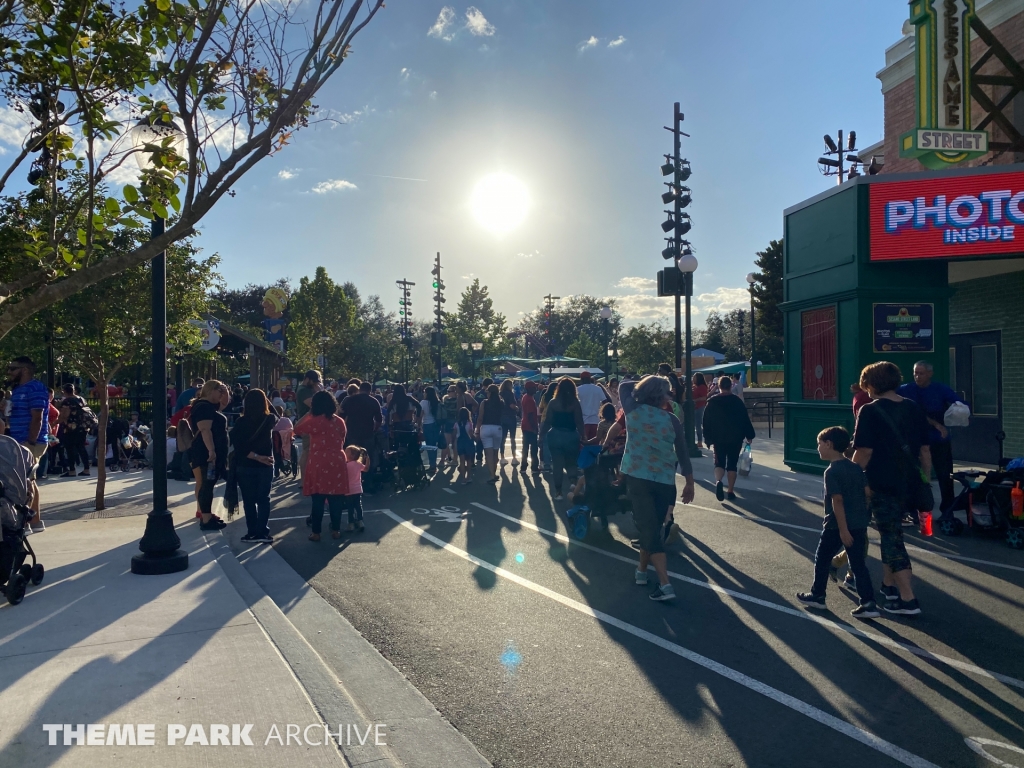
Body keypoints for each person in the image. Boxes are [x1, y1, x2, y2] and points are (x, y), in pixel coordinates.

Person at [852, 361, 930, 616]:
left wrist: (851, 478)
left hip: (881, 482)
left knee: (892, 538)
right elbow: (925, 450)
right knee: (892, 532)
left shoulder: (869, 411)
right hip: (909, 482)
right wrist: (925, 481)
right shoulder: (913, 407)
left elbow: (863, 452)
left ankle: (908, 598)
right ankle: (888, 585)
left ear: (872, 384)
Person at [616, 375, 695, 601]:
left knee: (650, 530)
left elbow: (624, 386)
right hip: (664, 480)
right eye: (667, 393)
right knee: (652, 528)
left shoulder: (632, 410)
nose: (670, 396)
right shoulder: (672, 420)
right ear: (661, 396)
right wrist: (689, 482)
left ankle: (665, 584)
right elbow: (683, 453)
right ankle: (641, 572)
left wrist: (648, 384)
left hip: (638, 478)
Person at [796, 426, 878, 618]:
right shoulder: (856, 468)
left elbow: (837, 501)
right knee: (858, 564)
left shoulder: (831, 472)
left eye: (819, 444)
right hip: (858, 523)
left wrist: (842, 530)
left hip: (836, 525)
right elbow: (867, 493)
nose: (818, 448)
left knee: (822, 558)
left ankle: (818, 595)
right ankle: (868, 603)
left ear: (829, 444)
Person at [898, 361, 963, 513]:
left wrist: (958, 412)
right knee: (914, 473)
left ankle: (948, 508)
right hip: (915, 437)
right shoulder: (906, 389)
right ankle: (913, 507)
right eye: (915, 373)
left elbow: (958, 402)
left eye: (921, 373)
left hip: (938, 437)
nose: (917, 376)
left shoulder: (939, 389)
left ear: (929, 374)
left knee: (944, 473)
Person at [294, 391, 349, 541]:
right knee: (336, 498)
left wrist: (309, 413)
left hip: (319, 460)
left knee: (318, 498)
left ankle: (316, 532)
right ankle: (336, 530)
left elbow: (297, 429)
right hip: (337, 459)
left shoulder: (315, 421)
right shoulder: (339, 421)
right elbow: (343, 438)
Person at [4, 357, 48, 532]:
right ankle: (33, 521)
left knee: (26, 480)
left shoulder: (35, 388)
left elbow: (37, 416)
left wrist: (30, 441)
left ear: (25, 370)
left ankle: (32, 521)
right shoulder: (17, 390)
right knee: (27, 480)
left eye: (12, 368)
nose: (9, 372)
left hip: (29, 441)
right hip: (18, 440)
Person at [230, 389, 278, 544]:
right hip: (266, 464)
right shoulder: (270, 419)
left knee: (249, 500)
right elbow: (278, 415)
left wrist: (255, 457)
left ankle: (251, 532)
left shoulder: (240, 422)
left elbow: (238, 446)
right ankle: (262, 532)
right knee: (264, 499)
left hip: (246, 464)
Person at [702, 376, 756, 501]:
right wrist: (749, 435)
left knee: (719, 462)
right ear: (730, 386)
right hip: (735, 437)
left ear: (719, 386)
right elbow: (745, 419)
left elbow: (706, 422)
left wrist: (708, 438)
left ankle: (718, 481)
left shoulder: (712, 402)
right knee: (732, 464)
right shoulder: (737, 402)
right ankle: (730, 490)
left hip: (718, 437)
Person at [188, 380, 230, 531]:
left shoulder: (210, 406)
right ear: (211, 390)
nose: (221, 394)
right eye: (219, 391)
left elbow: (225, 403)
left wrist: (225, 391)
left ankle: (206, 514)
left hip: (212, 452)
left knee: (209, 484)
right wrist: (211, 451)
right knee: (206, 484)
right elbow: (205, 430)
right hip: (205, 453)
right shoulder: (203, 407)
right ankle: (205, 518)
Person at [539, 378, 585, 500]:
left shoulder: (553, 403)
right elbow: (579, 421)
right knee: (571, 462)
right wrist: (583, 436)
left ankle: (558, 492)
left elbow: (547, 421)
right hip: (571, 435)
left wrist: (541, 436)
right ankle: (573, 483)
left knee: (557, 464)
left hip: (555, 434)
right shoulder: (575, 403)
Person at [296, 370, 323, 488]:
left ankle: (307, 480)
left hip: (311, 424)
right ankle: (304, 481)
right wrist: (320, 393)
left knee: (309, 451)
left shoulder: (306, 389)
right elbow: (315, 405)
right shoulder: (303, 391)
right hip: (308, 425)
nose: (315, 384)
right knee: (307, 451)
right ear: (308, 379)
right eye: (314, 382)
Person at [477, 384, 504, 482]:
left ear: (490, 393)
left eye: (487, 392)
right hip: (497, 427)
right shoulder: (501, 403)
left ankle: (491, 475)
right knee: (495, 452)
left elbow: (480, 418)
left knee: (488, 454)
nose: (486, 393)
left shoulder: (484, 403)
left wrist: (477, 430)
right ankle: (494, 472)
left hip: (486, 427)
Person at [576, 371, 609, 441]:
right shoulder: (598, 389)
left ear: (581, 379)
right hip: (596, 420)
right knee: (594, 443)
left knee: (583, 444)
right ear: (590, 378)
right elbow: (605, 402)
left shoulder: (578, 389)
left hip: (583, 421)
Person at [343, 445, 369, 532]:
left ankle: (351, 523)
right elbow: (366, 469)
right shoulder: (358, 464)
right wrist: (368, 460)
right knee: (358, 506)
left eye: (346, 452)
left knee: (350, 507)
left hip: (348, 490)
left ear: (352, 455)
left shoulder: (346, 466)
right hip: (358, 489)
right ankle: (360, 521)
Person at [420, 386, 443, 474]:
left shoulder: (423, 402)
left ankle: (432, 465)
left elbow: (421, 415)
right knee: (434, 445)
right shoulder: (437, 402)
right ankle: (434, 465)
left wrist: (418, 425)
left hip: (427, 424)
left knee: (429, 445)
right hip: (436, 424)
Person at [520, 381, 541, 475]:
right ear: (529, 388)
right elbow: (530, 414)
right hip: (529, 426)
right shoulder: (529, 399)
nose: (535, 389)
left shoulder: (525, 397)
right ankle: (534, 467)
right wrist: (534, 428)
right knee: (534, 448)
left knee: (525, 448)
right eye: (534, 387)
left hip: (525, 425)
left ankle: (523, 467)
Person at [498, 379, 520, 467]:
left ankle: (502, 457)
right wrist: (517, 408)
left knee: (502, 438)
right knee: (512, 438)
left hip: (502, 417)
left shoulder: (500, 394)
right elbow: (511, 405)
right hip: (510, 417)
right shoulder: (510, 394)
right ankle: (514, 458)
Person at [453, 407, 476, 484]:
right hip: (468, 443)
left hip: (460, 442)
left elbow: (454, 435)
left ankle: (463, 478)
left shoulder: (456, 424)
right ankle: (468, 477)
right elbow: (471, 434)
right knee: (468, 460)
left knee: (462, 461)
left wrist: (453, 443)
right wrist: (476, 439)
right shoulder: (469, 424)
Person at [441, 385, 460, 466]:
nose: (448, 393)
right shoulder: (459, 400)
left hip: (448, 421)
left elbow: (443, 410)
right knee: (455, 441)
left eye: (449, 391)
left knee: (446, 442)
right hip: (456, 421)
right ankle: (455, 459)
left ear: (454, 392)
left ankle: (442, 460)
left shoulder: (447, 401)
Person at [692, 373, 709, 449]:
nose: (693, 378)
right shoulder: (695, 386)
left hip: (700, 407)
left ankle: (700, 441)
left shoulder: (702, 387)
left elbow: (704, 397)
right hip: (695, 407)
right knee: (696, 424)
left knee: (698, 425)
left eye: (694, 377)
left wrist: (695, 400)